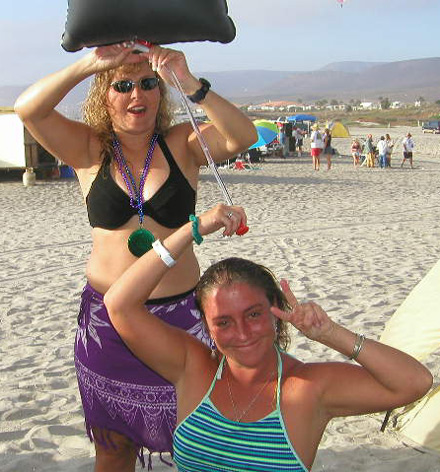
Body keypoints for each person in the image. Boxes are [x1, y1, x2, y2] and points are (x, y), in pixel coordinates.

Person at [14, 43, 257, 471]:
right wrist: (91, 63)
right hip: (107, 323)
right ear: (103, 95)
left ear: (161, 92)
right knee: (113, 448)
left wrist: (189, 82)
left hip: (180, 319)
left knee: (194, 439)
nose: (137, 95)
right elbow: (28, 109)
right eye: (122, 86)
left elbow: (243, 136)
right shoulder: (88, 148)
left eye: (148, 83)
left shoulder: (182, 144)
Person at [104, 202, 433, 472]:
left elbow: (414, 382)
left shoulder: (307, 388)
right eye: (224, 322)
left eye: (253, 315)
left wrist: (332, 334)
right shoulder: (193, 367)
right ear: (206, 325)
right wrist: (193, 229)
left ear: (276, 310)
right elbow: (119, 304)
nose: (242, 333)